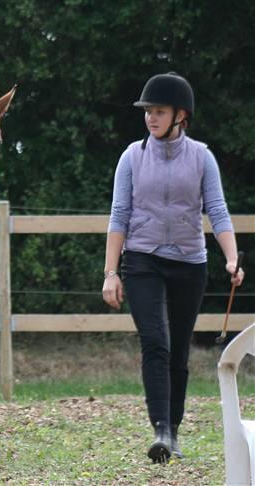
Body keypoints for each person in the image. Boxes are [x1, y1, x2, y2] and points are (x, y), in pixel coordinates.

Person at [101, 72, 245, 463]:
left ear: (181, 115)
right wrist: (111, 272)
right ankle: (160, 429)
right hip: (143, 259)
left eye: (159, 111)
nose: (151, 118)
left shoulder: (202, 157)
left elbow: (217, 210)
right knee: (156, 342)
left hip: (189, 263)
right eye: (148, 111)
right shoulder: (132, 156)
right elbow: (119, 215)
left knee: (179, 350)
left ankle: (174, 429)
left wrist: (231, 256)